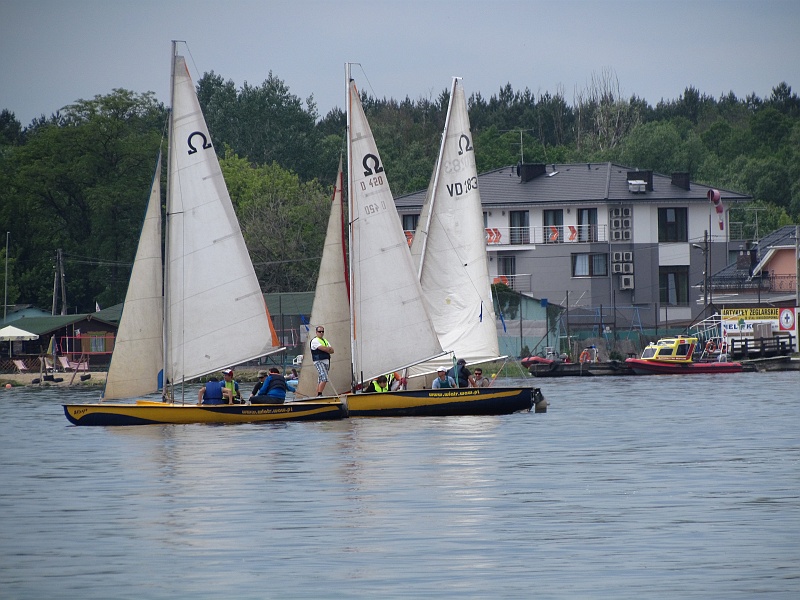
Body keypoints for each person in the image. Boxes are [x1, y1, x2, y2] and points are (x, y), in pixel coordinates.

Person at [310, 326, 334, 396]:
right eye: (319, 331)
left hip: (326, 361)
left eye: (322, 331)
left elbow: (332, 350)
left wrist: (327, 349)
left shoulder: (325, 340)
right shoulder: (315, 341)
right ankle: (319, 394)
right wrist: (327, 349)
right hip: (319, 361)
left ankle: (318, 393)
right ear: (316, 332)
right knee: (324, 377)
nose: (321, 333)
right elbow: (324, 348)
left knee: (321, 378)